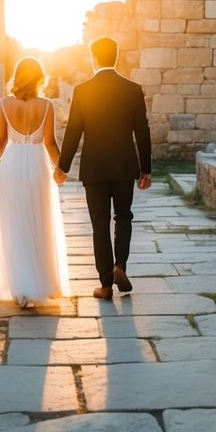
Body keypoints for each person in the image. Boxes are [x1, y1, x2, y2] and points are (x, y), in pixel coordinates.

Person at [54, 37, 152, 301]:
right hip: (124, 165)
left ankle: (106, 285)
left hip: (94, 168)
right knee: (123, 217)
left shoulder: (83, 90)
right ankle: (120, 265)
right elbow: (142, 131)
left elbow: (73, 131)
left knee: (99, 223)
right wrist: (146, 169)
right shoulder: (133, 89)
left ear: (93, 57)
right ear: (116, 57)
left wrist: (62, 167)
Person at [0, 57, 70, 307]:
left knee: (13, 224)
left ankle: (21, 290)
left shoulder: (4, 104)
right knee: (38, 223)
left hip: (11, 166)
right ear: (39, 76)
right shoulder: (47, 105)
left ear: (17, 76)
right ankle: (38, 284)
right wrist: (61, 168)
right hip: (38, 167)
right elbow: (50, 143)